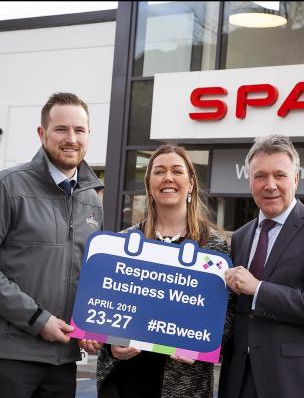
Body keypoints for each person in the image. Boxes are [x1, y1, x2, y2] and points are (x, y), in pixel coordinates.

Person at [0, 92, 104, 397]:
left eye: (79, 130)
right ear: (42, 133)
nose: (71, 138)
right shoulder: (5, 186)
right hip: (7, 356)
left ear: (89, 134)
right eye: (61, 129)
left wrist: (91, 326)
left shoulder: (92, 200)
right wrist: (38, 319)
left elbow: (88, 275)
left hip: (63, 359)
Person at [218, 134, 304, 398]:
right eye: (260, 176)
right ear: (249, 181)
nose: (270, 185)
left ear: (296, 180)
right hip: (240, 378)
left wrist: (259, 289)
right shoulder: (240, 236)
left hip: (296, 381)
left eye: (280, 175)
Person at [96, 144, 229, 398]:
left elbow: (226, 314)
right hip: (127, 378)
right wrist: (111, 343)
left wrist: (199, 346)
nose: (168, 178)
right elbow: (106, 307)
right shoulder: (124, 242)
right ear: (149, 184)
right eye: (159, 171)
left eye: (176, 171)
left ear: (190, 183)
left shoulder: (212, 245)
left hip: (184, 381)